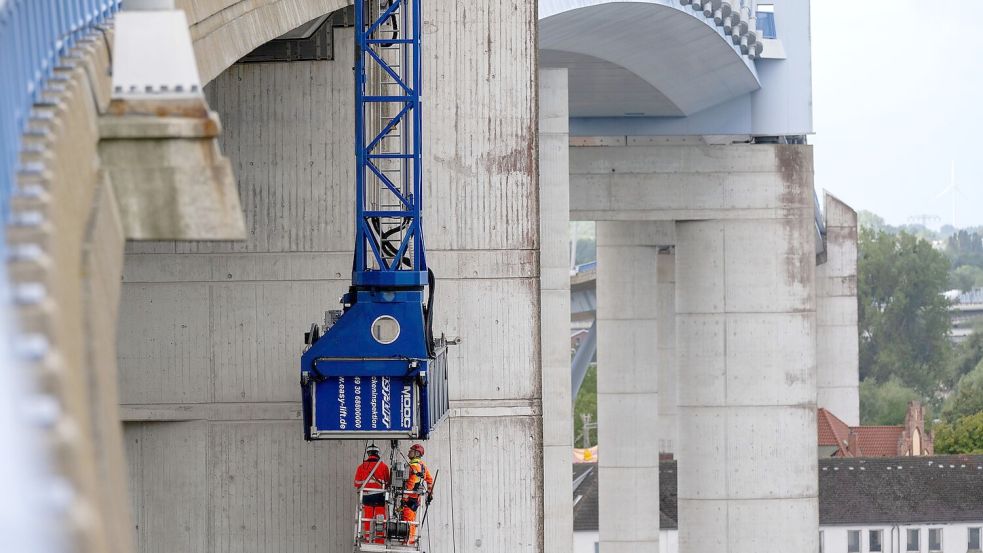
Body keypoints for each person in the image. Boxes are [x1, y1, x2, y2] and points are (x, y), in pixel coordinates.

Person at [354, 444, 391, 544]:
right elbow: (388, 483)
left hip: (367, 497)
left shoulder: (361, 467)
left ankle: (367, 537)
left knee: (368, 517)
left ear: (368, 453)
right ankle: (379, 539)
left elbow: (356, 483)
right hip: (380, 497)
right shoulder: (383, 466)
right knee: (380, 517)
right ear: (377, 454)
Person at [400, 443, 434, 546]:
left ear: (416, 453)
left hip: (410, 498)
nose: (408, 452)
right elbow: (430, 480)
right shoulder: (422, 466)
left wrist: (405, 496)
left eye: (411, 451)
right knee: (411, 519)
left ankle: (408, 540)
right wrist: (429, 492)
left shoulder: (414, 466)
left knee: (408, 519)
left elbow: (411, 482)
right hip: (415, 499)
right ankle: (409, 538)